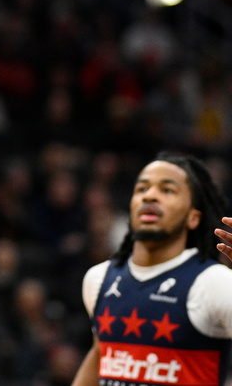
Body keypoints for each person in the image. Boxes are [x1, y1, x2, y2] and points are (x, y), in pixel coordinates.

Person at [71, 151, 232, 386]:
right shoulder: (98, 278)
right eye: (142, 189)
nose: (150, 196)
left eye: (167, 190)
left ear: (193, 218)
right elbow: (101, 352)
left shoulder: (215, 282)